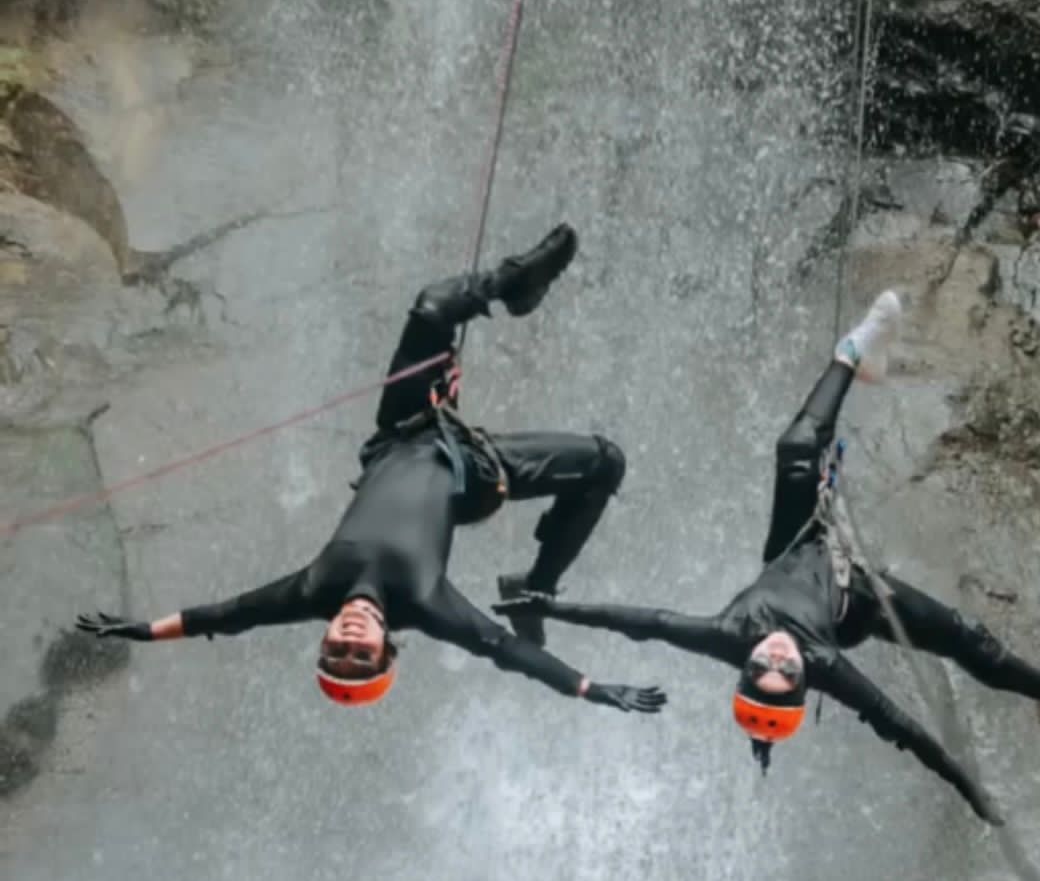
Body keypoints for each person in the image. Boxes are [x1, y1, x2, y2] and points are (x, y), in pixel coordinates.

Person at [495, 290, 1040, 824]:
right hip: (852, 599)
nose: (774, 657)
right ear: (801, 683)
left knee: (796, 444)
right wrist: (973, 794)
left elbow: (644, 623)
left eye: (760, 668)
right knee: (962, 636)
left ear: (744, 668)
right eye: (783, 674)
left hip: (795, 546)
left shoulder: (728, 635)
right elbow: (905, 731)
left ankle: (856, 351)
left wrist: (551, 604)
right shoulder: (826, 662)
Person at [76, 224, 666, 718]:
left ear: (323, 640)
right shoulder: (425, 603)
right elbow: (506, 651)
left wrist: (145, 632)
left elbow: (229, 616)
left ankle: (514, 285)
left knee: (435, 305)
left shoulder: (316, 589)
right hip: (476, 472)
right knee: (604, 462)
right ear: (388, 650)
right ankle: (537, 585)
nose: (350, 643)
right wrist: (589, 689)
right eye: (363, 657)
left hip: (403, 430)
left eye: (336, 653)